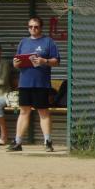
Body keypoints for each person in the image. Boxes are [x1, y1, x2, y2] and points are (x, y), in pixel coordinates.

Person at [8, 16, 61, 152]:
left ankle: (48, 141)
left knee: (43, 112)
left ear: (40, 28)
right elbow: (16, 61)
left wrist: (44, 61)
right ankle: (18, 142)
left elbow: (57, 61)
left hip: (41, 84)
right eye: (30, 27)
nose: (33, 29)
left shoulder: (48, 42)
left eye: (36, 27)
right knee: (24, 111)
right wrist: (15, 64)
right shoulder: (23, 42)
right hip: (25, 83)